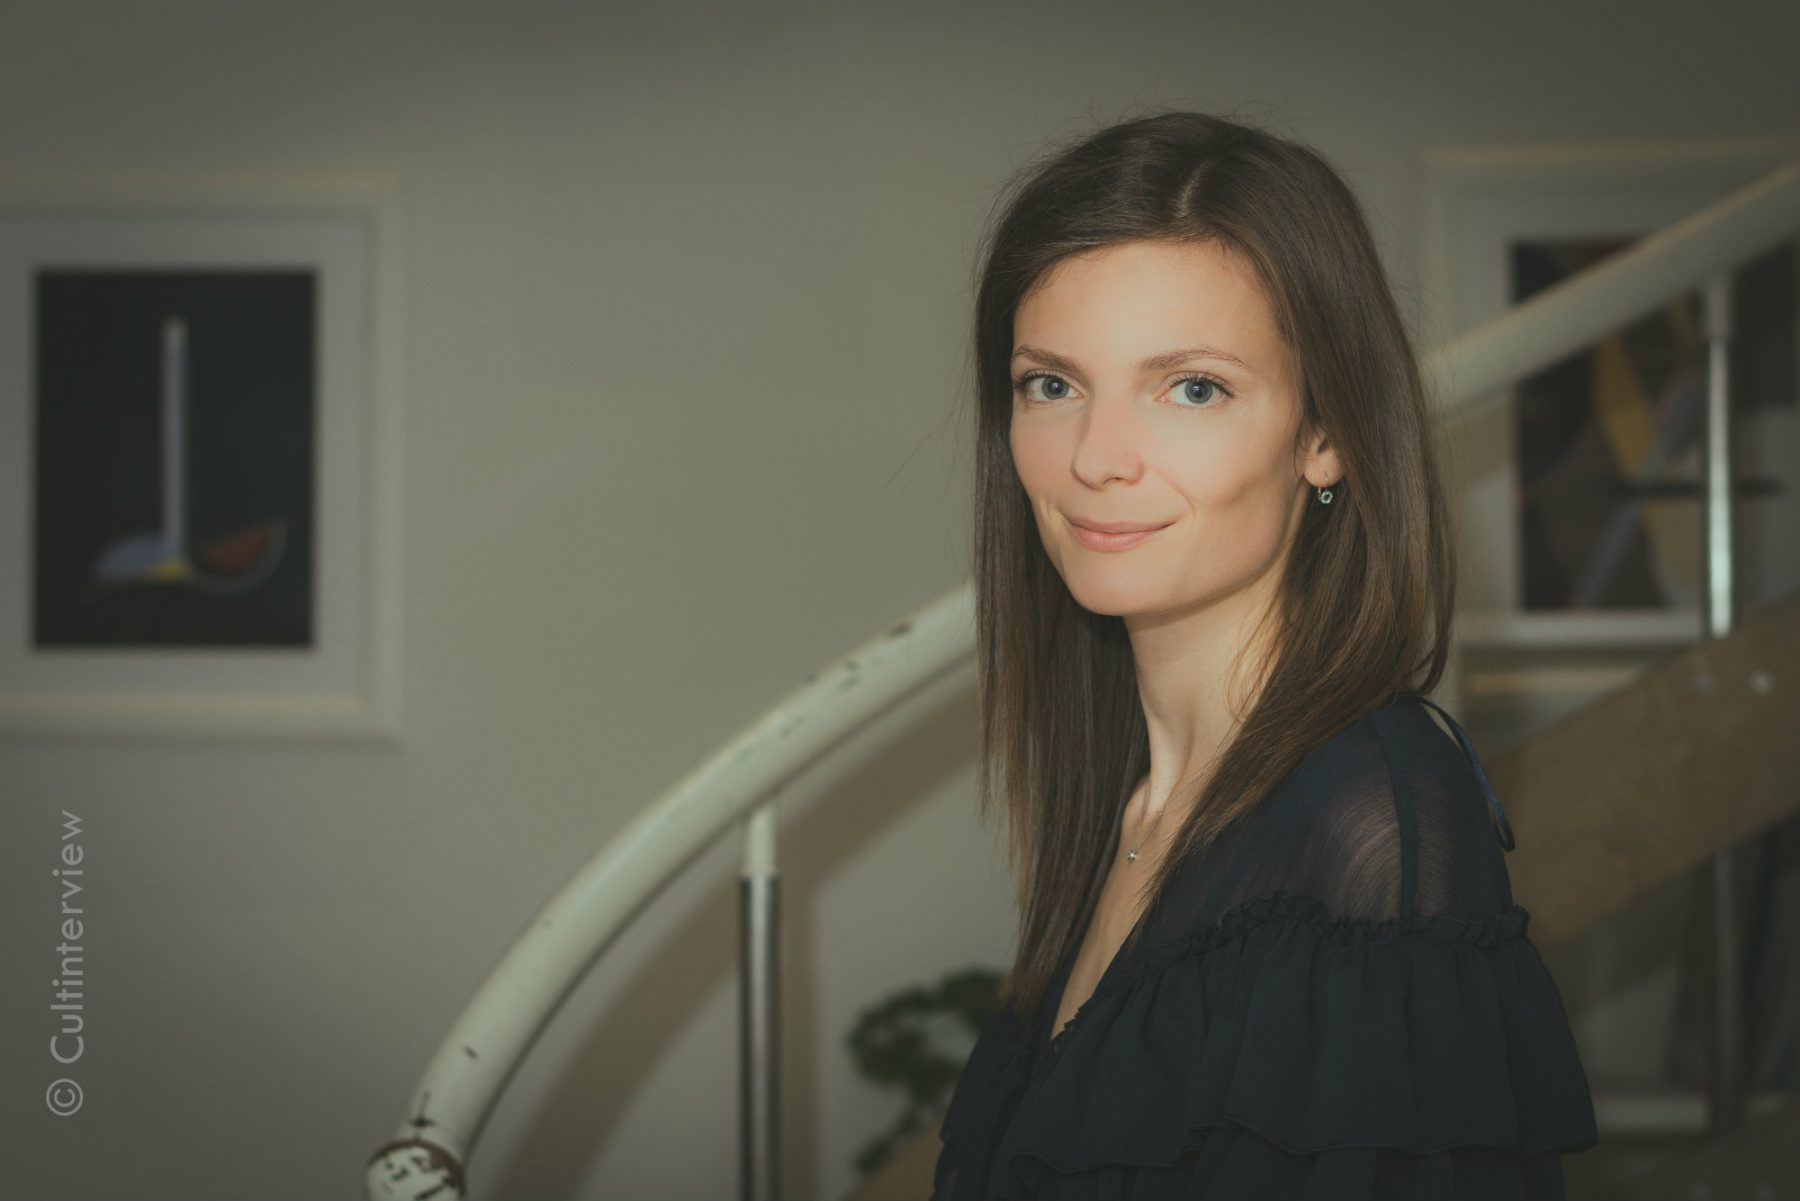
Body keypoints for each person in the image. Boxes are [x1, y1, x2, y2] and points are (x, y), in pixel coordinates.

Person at [932, 109, 1599, 1199]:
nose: (1096, 458)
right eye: (1052, 384)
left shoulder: (1371, 817)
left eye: (1192, 387)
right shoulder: (1128, 805)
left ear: (1325, 434)